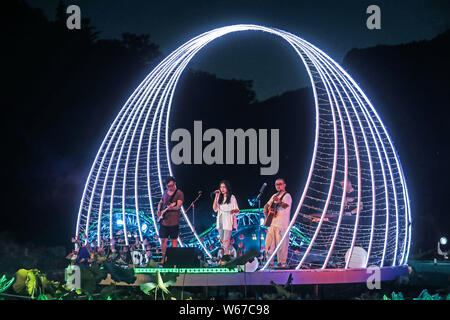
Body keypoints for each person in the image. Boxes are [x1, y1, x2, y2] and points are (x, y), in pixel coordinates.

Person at [264, 178, 292, 267]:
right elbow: (266, 205)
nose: (278, 186)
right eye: (276, 184)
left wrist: (278, 201)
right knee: (268, 245)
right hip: (272, 224)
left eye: (280, 184)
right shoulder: (274, 195)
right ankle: (270, 263)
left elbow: (285, 206)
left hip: (282, 224)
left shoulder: (287, 196)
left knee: (282, 246)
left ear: (284, 185)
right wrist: (266, 212)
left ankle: (281, 263)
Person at [157, 176, 184, 263]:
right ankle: (163, 258)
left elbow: (178, 207)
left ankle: (174, 259)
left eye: (172, 185)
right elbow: (160, 202)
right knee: (163, 240)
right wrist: (159, 210)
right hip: (164, 222)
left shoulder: (179, 193)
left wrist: (171, 208)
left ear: (175, 183)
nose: (171, 188)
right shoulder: (165, 193)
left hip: (173, 222)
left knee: (174, 240)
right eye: (168, 186)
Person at [212, 180, 239, 256]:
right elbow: (214, 209)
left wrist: (233, 211)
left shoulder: (232, 197)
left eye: (224, 187)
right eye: (221, 187)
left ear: (227, 187)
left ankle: (226, 258)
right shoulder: (219, 197)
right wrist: (216, 197)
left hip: (227, 221)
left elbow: (237, 210)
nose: (222, 189)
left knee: (226, 241)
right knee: (222, 242)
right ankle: (225, 256)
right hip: (220, 221)